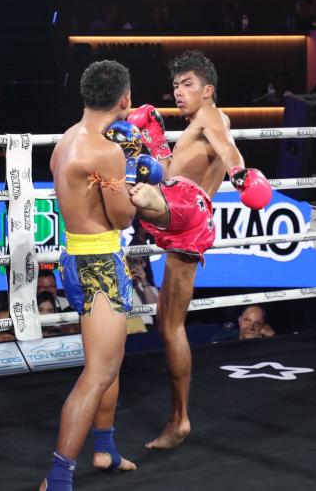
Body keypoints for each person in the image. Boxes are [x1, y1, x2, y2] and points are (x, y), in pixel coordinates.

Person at [126, 50, 272, 449]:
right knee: (169, 324)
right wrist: (159, 144)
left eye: (187, 84)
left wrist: (240, 173)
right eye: (175, 85)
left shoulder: (210, 115)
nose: (179, 91)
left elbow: (227, 147)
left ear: (207, 90)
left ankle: (179, 420)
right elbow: (175, 173)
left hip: (185, 206)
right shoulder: (196, 127)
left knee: (126, 187)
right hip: (185, 219)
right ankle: (178, 419)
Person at [41, 60, 144, 490]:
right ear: (125, 100)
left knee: (110, 363)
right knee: (99, 372)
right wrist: (134, 177)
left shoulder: (66, 140)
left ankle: (104, 449)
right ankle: (57, 476)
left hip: (76, 256)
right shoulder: (106, 151)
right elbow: (122, 218)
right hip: (99, 261)